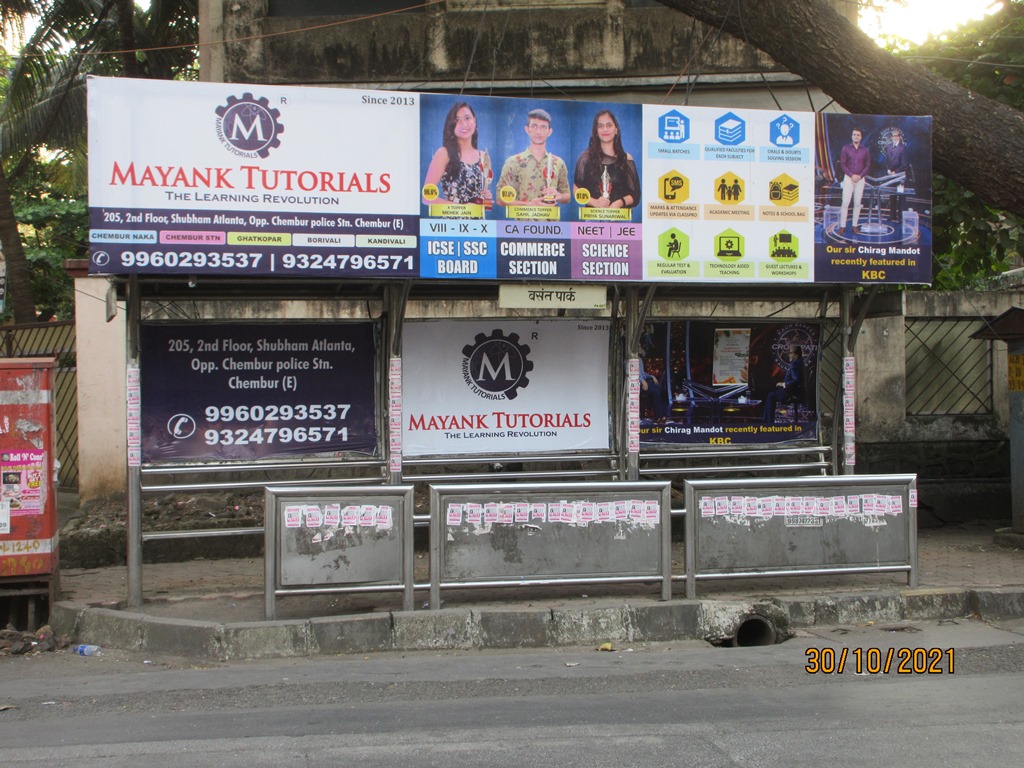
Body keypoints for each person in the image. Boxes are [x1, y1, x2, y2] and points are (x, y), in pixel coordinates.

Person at [496, 108, 571, 208]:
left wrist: (559, 196)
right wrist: (528, 205)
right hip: (522, 218)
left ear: (549, 132)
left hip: (550, 218)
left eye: (543, 127)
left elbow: (567, 196)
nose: (538, 132)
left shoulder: (558, 163)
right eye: (534, 126)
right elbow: (500, 199)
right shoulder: (513, 162)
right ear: (527, 129)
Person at [422, 102, 493, 207]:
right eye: (457, 120)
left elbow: (482, 197)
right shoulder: (444, 153)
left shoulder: (483, 156)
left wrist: (486, 198)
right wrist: (463, 209)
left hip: (478, 218)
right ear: (451, 125)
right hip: (452, 217)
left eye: (467, 118)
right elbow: (427, 198)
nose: (464, 124)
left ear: (474, 120)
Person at [573, 110, 640, 210]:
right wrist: (594, 202)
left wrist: (620, 202)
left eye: (609, 125)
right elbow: (576, 190)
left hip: (619, 217)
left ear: (616, 130)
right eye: (600, 126)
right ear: (596, 131)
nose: (605, 129)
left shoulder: (626, 159)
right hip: (592, 218)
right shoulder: (584, 159)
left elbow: (635, 195)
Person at [838, 127, 870, 235]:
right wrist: (852, 175)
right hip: (848, 178)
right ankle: (842, 226)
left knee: (857, 203)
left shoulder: (865, 150)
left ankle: (854, 225)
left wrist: (860, 176)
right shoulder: (846, 148)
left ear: (861, 137)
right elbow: (843, 164)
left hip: (860, 179)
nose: (856, 136)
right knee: (845, 202)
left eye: (858, 135)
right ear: (852, 136)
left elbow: (868, 166)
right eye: (854, 134)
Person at [762, 346, 804, 424]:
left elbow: (797, 380)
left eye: (790, 353)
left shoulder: (794, 365)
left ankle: (768, 422)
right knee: (772, 393)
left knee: (770, 395)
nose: (789, 355)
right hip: (797, 391)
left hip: (791, 392)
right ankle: (766, 420)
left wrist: (783, 384)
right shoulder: (801, 362)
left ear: (796, 354)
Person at [884, 128, 911, 225]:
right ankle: (892, 215)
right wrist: (888, 170)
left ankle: (900, 217)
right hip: (891, 176)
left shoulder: (903, 148)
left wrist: (895, 172)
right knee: (892, 196)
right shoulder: (888, 147)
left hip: (900, 176)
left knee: (901, 197)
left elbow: (905, 165)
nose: (894, 138)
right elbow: (887, 161)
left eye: (896, 136)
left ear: (899, 137)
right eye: (893, 136)